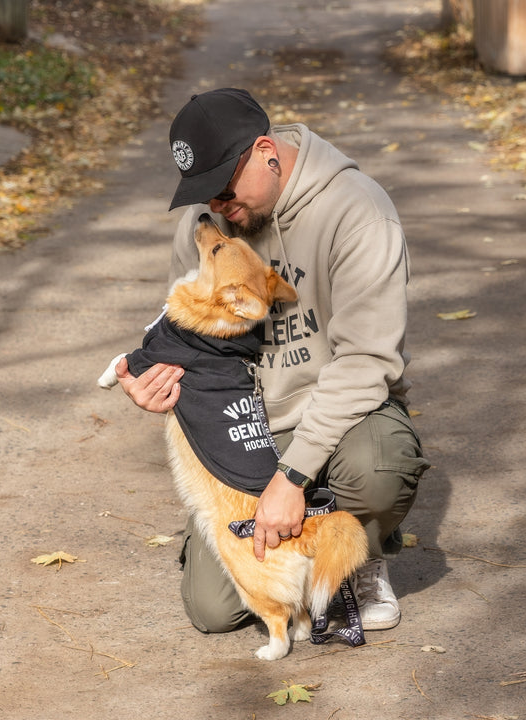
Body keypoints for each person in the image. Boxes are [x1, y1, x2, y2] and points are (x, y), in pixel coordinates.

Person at [115, 87, 430, 634]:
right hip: (247, 427)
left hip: (341, 418)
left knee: (378, 468)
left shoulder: (358, 212)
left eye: (223, 186)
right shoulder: (205, 218)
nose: (215, 205)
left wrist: (291, 478)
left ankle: (361, 556)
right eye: (202, 190)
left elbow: (365, 363)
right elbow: (184, 322)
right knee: (214, 610)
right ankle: (311, 554)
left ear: (266, 150)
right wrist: (148, 378)